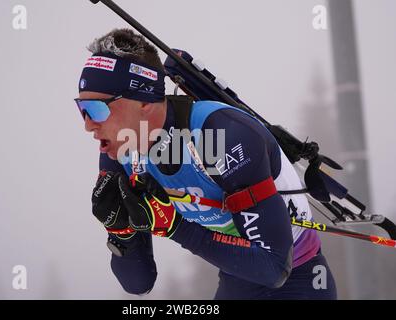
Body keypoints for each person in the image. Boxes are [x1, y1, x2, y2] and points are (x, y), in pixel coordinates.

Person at [75, 28, 337, 299]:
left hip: (300, 281)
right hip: (236, 282)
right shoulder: (120, 155)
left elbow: (274, 268)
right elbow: (139, 284)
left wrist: (175, 226)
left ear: (144, 102)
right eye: (81, 109)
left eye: (97, 109)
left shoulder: (222, 135)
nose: (87, 125)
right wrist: (121, 232)